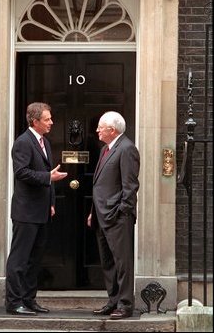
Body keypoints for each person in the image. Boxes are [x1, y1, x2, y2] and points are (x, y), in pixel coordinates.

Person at [5, 102, 68, 315]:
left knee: (34, 259)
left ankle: (29, 300)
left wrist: (50, 202)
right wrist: (48, 177)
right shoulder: (23, 143)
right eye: (47, 119)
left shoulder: (45, 142)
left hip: (41, 211)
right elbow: (21, 172)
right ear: (35, 121)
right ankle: (14, 303)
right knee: (19, 259)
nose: (51, 122)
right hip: (25, 211)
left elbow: (46, 174)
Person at [87, 111, 140, 320]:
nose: (97, 130)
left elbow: (130, 186)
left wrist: (122, 211)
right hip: (101, 215)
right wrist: (93, 212)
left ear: (112, 129)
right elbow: (99, 185)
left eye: (101, 127)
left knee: (122, 262)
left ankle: (126, 305)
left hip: (117, 217)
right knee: (108, 262)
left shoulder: (127, 149)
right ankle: (113, 301)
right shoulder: (105, 150)